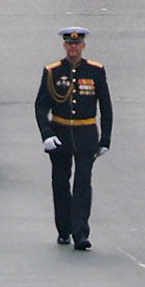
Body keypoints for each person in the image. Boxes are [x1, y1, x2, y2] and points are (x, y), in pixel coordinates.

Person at [36, 27, 111, 250]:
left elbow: (105, 107)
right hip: (60, 133)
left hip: (86, 133)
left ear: (83, 46)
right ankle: (64, 228)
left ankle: (81, 233)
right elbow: (41, 105)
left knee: (82, 185)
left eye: (77, 44)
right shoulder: (53, 71)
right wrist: (46, 134)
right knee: (60, 182)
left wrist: (105, 139)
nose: (73, 48)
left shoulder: (95, 71)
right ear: (64, 45)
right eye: (69, 44)